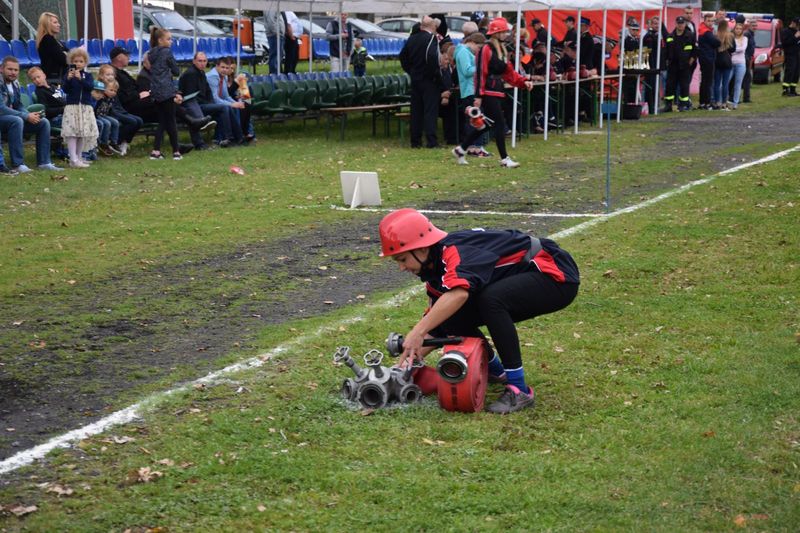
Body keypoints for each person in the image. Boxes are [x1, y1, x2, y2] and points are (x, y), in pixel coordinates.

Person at [378, 208, 580, 414]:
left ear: (421, 249)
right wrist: (401, 370)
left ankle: (520, 390)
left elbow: (459, 295)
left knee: (491, 300)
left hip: (554, 273)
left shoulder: (453, 252)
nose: (401, 267)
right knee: (449, 316)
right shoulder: (434, 271)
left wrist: (417, 332)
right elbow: (438, 324)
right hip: (534, 275)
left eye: (402, 259)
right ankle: (495, 372)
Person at [452, 17, 534, 168]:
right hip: (488, 92)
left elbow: (508, 71)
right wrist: (478, 96)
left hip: (496, 90)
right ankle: (504, 159)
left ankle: (461, 149)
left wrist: (523, 82)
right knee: (499, 124)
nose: (506, 34)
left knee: (486, 125)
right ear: (497, 33)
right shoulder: (486, 50)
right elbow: (480, 73)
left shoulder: (500, 50)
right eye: (503, 32)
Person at [0, 56, 62, 172]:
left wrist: (30, 114)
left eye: (16, 70)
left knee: (43, 122)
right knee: (17, 120)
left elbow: (18, 105)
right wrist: (25, 116)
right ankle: (18, 164)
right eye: (10, 69)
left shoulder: (15, 84)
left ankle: (44, 163)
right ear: (1, 69)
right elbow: (1, 108)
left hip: (10, 119)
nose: (13, 73)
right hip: (3, 119)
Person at [399, 16, 442, 149]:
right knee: (430, 111)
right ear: (433, 26)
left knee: (416, 111)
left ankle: (415, 141)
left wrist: (411, 71)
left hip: (416, 78)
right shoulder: (430, 39)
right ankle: (431, 141)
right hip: (428, 80)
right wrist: (434, 74)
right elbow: (432, 57)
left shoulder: (412, 38)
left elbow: (402, 56)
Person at [147, 28, 183, 160]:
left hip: (156, 90)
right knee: (171, 120)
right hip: (167, 90)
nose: (171, 41)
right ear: (160, 40)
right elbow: (176, 71)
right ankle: (176, 151)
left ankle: (156, 150)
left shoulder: (151, 53)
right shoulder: (167, 52)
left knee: (162, 120)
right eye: (168, 39)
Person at [60, 48, 98, 168]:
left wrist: (80, 79)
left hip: (85, 107)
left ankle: (79, 156)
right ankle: (73, 158)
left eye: (81, 61)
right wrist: (69, 79)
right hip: (72, 107)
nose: (78, 63)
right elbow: (64, 89)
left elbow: (89, 87)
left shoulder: (88, 75)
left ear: (85, 63)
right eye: (75, 61)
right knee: (72, 132)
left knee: (82, 132)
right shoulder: (68, 75)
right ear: (71, 62)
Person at [455, 32, 490, 156]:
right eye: (479, 48)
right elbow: (467, 71)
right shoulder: (463, 52)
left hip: (472, 89)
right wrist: (482, 67)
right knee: (474, 120)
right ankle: (474, 147)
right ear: (473, 43)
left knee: (477, 119)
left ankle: (476, 146)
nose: (479, 51)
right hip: (469, 90)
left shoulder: (466, 52)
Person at [98, 61, 141, 155]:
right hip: (109, 112)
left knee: (139, 120)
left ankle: (123, 142)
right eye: (107, 74)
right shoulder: (100, 87)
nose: (110, 77)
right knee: (132, 121)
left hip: (119, 110)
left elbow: (118, 102)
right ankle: (114, 142)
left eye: (112, 74)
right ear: (101, 76)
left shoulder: (115, 84)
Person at [205, 56, 246, 146]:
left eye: (227, 68)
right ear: (217, 66)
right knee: (227, 108)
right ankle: (231, 138)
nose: (225, 70)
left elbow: (226, 96)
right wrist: (232, 104)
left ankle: (240, 137)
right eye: (222, 67)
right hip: (206, 104)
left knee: (240, 106)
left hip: (216, 104)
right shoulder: (213, 76)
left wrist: (235, 103)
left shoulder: (224, 76)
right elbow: (215, 99)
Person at [662, 16, 696, 112]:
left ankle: (683, 105)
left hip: (685, 65)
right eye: (679, 23)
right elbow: (666, 51)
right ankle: (668, 105)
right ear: (676, 24)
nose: (680, 25)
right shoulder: (670, 37)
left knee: (684, 85)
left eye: (682, 23)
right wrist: (666, 61)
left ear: (685, 24)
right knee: (670, 85)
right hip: (673, 65)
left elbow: (695, 49)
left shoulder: (690, 35)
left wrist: (692, 59)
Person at [36, 12, 68, 84]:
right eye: (55, 22)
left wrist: (66, 54)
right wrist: (65, 54)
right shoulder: (47, 39)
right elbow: (64, 59)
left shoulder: (55, 40)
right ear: (47, 25)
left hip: (58, 77)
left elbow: (70, 54)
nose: (59, 25)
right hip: (53, 80)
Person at [696, 12, 720, 110]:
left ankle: (703, 102)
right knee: (708, 81)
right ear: (704, 21)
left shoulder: (702, 30)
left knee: (704, 81)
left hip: (704, 58)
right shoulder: (707, 32)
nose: (710, 23)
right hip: (708, 58)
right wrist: (718, 39)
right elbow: (716, 43)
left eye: (712, 21)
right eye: (708, 21)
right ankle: (707, 102)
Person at [92, 80, 122, 155]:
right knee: (106, 123)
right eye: (111, 90)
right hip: (96, 115)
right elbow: (94, 109)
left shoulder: (111, 98)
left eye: (115, 91)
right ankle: (102, 143)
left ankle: (113, 142)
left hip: (103, 115)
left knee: (115, 122)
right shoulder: (100, 98)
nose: (113, 92)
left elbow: (110, 110)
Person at [712, 20, 734, 110]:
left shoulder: (715, 35)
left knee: (717, 83)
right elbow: (733, 49)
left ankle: (717, 102)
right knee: (725, 84)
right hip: (727, 61)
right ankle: (724, 103)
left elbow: (713, 47)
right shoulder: (730, 35)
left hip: (717, 61)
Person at [729, 22, 749, 109]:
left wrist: (733, 50)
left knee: (738, 83)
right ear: (734, 29)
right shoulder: (730, 37)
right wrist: (734, 50)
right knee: (726, 81)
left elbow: (742, 49)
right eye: (737, 28)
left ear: (742, 30)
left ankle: (735, 103)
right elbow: (729, 49)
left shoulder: (745, 38)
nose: (738, 30)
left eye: (740, 29)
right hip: (730, 63)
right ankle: (723, 100)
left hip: (741, 64)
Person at [781, 17, 800, 97]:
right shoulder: (786, 31)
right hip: (790, 55)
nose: (798, 26)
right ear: (793, 23)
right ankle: (785, 90)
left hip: (797, 54)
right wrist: (795, 37)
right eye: (797, 24)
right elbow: (785, 43)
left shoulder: (797, 31)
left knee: (796, 72)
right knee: (790, 71)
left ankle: (793, 90)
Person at [741, 19, 756, 103]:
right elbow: (744, 47)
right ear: (749, 26)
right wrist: (747, 58)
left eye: (755, 25)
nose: (754, 27)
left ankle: (746, 98)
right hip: (745, 58)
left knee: (747, 78)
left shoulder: (751, 34)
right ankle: (745, 98)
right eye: (753, 25)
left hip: (748, 58)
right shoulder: (747, 34)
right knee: (746, 78)